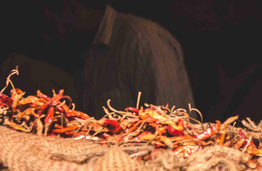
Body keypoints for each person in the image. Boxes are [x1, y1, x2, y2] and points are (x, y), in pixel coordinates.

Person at [5, 0, 195, 117]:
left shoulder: (141, 40)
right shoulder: (90, 55)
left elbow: (176, 123)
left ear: (69, 8)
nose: (48, 36)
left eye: (50, 24)